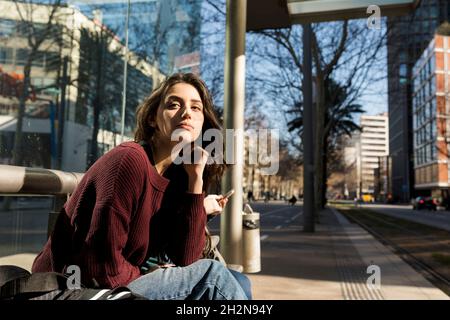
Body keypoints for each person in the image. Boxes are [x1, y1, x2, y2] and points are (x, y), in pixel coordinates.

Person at [32, 73, 249, 300]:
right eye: (174, 104)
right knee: (213, 277)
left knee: (240, 282)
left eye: (196, 108)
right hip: (71, 290)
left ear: (202, 123)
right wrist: (146, 274)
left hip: (113, 284)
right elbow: (102, 267)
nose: (187, 113)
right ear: (153, 119)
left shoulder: (179, 175)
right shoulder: (130, 160)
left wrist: (196, 181)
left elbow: (187, 258)